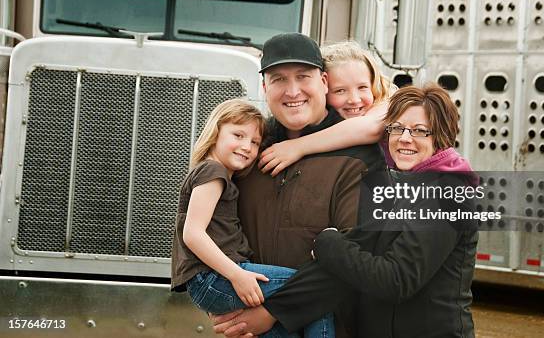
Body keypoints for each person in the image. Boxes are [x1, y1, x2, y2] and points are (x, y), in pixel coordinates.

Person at [216, 84, 478, 337]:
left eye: (420, 131)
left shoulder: (447, 195)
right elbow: (361, 265)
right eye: (398, 128)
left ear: (441, 136)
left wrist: (327, 243)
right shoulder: (403, 183)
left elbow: (396, 280)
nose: (405, 138)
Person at [213, 33, 386, 337]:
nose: (292, 91)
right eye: (279, 79)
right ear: (265, 88)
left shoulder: (361, 159)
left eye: (303, 76)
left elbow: (359, 257)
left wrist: (273, 312)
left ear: (323, 81)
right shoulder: (247, 154)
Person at [170, 99, 335, 337]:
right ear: (215, 133)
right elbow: (193, 233)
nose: (246, 146)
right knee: (311, 290)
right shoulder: (212, 171)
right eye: (238, 135)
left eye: (254, 142)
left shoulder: (223, 176)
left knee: (282, 327)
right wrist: (237, 275)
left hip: (213, 279)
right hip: (214, 277)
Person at [259, 41, 394, 176]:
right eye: (340, 90)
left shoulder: (385, 107)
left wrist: (297, 146)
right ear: (323, 88)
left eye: (363, 87)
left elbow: (372, 128)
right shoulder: (267, 133)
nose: (354, 100)